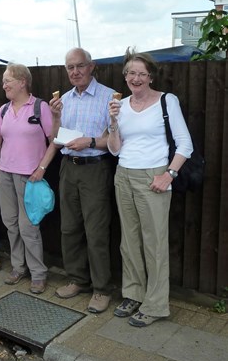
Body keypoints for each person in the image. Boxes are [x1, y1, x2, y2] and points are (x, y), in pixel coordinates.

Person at [107, 48, 192, 327]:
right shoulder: (121, 105)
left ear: (151, 77)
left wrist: (168, 174)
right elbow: (115, 149)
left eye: (142, 73)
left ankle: (155, 305)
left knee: (154, 244)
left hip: (153, 177)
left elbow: (185, 145)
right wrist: (113, 123)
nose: (136, 78)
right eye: (131, 72)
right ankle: (133, 293)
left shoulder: (167, 101)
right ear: (126, 76)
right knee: (129, 242)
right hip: (124, 175)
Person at [48, 47, 115, 314]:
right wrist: (54, 117)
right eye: (70, 68)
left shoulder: (110, 97)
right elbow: (55, 138)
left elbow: (116, 140)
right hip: (68, 167)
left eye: (79, 66)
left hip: (95, 168)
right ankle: (78, 280)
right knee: (69, 228)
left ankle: (101, 289)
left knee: (96, 231)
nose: (75, 72)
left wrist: (89, 141)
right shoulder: (64, 99)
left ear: (91, 66)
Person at [0, 63, 59, 294]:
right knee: (10, 223)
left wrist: (42, 168)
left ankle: (38, 273)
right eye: (3, 81)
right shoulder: (4, 110)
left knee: (28, 226)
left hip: (30, 176)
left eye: (8, 80)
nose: (4, 84)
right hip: (6, 172)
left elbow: (55, 140)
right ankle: (18, 267)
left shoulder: (40, 107)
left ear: (22, 82)